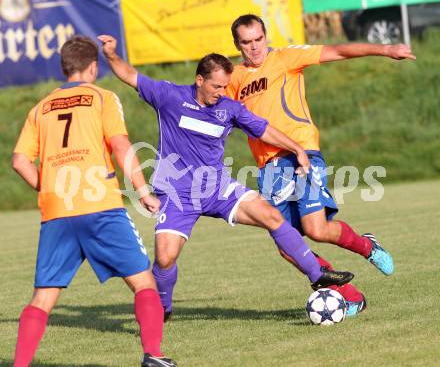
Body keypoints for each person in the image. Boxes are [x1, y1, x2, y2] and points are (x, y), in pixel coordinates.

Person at [99, 34, 355, 321]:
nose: (222, 91)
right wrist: (111, 55)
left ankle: (317, 274)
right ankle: (163, 307)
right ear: (199, 80)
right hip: (178, 193)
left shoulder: (229, 108)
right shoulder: (168, 96)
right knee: (165, 257)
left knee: (271, 215)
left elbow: (263, 129)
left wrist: (296, 148)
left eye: (225, 86)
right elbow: (129, 74)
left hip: (218, 188)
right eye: (216, 86)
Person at [226, 14, 416, 316]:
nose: (254, 47)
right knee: (288, 248)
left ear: (266, 36)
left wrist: (387, 49)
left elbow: (338, 51)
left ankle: (367, 246)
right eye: (246, 42)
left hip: (302, 152)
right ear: (237, 44)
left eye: (258, 39)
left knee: (317, 229)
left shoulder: (287, 58)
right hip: (269, 168)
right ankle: (349, 294)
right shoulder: (233, 79)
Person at [11, 36, 176, 367]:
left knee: (43, 297)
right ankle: (153, 356)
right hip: (100, 206)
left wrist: (48, 187)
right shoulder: (102, 97)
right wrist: (143, 191)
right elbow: (120, 145)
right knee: (143, 281)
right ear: (93, 66)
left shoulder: (40, 107)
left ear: (64, 67)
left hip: (57, 210)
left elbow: (19, 160)